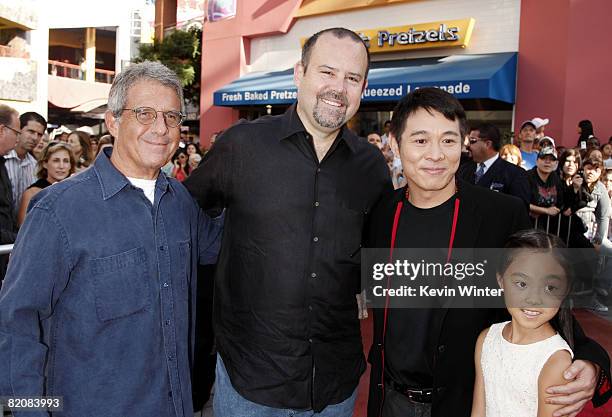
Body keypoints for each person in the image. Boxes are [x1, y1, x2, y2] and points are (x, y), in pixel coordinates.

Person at [185, 27, 392, 417]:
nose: (338, 88)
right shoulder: (241, 146)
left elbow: (376, 254)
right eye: (327, 72)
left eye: (352, 78)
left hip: (333, 384)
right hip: (250, 379)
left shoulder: (371, 167)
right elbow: (186, 218)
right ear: (300, 74)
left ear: (363, 87)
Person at [366, 87, 611, 417]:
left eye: (449, 140)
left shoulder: (500, 214)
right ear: (395, 144)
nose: (436, 154)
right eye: (421, 140)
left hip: (466, 400)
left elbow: (540, 290)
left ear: (464, 143)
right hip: (389, 400)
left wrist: (592, 359)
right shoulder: (381, 214)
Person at [0, 61, 223, 417]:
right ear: (114, 122)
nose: (161, 128)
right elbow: (14, 326)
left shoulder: (179, 201)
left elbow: (224, 244)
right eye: (145, 113)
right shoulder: (58, 211)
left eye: (171, 116)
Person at [472, 230, 574, 417]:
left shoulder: (556, 361)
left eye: (550, 287)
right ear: (501, 280)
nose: (534, 299)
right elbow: (479, 410)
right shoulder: (486, 339)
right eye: (521, 284)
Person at [458, 123, 530, 208]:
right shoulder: (464, 169)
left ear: (488, 144)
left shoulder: (515, 174)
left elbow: (520, 209)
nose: (468, 146)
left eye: (472, 141)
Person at [17, 141, 76, 225]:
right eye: (56, 160)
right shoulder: (32, 193)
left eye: (66, 161)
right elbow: (23, 228)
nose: (61, 166)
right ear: (45, 164)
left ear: (70, 165)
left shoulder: (74, 191)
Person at [4, 112, 46, 210]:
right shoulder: (3, 159)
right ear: (19, 130)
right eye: (31, 131)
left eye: (39, 134)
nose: (35, 138)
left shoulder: (35, 166)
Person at [0, 104, 20, 283]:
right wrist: (19, 238)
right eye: (16, 132)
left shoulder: (2, 165)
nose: (17, 140)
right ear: (1, 130)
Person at [527, 147, 564, 228]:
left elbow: (561, 203)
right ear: (537, 161)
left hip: (550, 226)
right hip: (529, 225)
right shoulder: (527, 177)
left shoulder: (556, 178)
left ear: (556, 163)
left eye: (552, 159)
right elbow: (523, 202)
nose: (547, 162)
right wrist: (546, 211)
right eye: (544, 158)